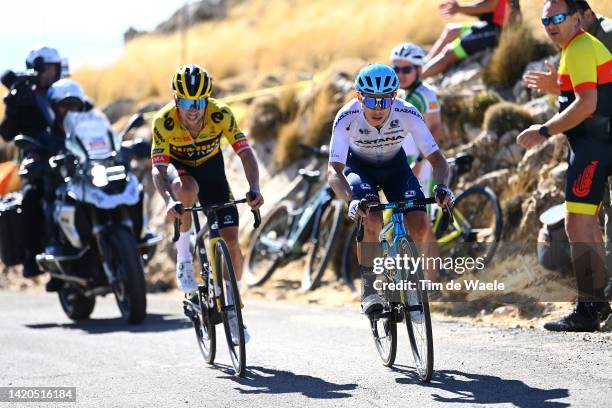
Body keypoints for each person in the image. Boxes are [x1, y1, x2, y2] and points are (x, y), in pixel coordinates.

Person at [327, 63, 454, 317]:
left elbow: (438, 160)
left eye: (384, 101)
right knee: (371, 216)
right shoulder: (346, 116)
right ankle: (369, 286)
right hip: (359, 168)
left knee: (420, 224)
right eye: (371, 101)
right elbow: (334, 171)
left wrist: (442, 186)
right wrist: (351, 201)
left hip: (395, 167)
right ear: (359, 97)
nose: (378, 108)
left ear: (394, 97)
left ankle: (411, 286)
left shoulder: (407, 112)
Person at [517, 0, 612, 332]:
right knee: (581, 225)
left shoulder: (581, 47)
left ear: (578, 17)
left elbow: (587, 104)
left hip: (595, 146)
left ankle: (590, 309)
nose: (551, 25)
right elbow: (585, 90)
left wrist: (544, 130)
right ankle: (594, 304)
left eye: (558, 17)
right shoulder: (579, 48)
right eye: (546, 21)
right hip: (590, 145)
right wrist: (556, 86)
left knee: (579, 226)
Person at [151, 64, 264, 343]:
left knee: (232, 242)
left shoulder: (221, 114)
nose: (194, 109)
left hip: (212, 171)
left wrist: (254, 188)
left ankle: (234, 307)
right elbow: (158, 169)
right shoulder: (164, 121)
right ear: (176, 99)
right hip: (181, 170)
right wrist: (168, 200)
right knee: (186, 189)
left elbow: (246, 154)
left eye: (199, 101)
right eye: (187, 101)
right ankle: (185, 256)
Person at [0, 46, 62, 278]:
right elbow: (6, 134)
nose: (51, 73)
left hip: (68, 155)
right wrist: (14, 106)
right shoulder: (23, 96)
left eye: (54, 68)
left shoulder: (63, 93)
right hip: (36, 162)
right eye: (47, 68)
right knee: (30, 199)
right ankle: (31, 256)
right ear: (35, 68)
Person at [390, 43, 443, 194]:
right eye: (396, 69)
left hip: (421, 162)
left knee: (420, 214)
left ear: (419, 70)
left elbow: (436, 130)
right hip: (403, 161)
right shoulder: (400, 94)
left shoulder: (426, 94)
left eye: (406, 70)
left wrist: (419, 163)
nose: (401, 75)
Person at [422, 0, 510, 79]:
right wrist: (456, 9)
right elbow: (482, 9)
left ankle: (417, 79)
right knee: (451, 31)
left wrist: (459, 8)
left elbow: (490, 6)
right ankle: (424, 65)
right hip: (490, 26)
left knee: (449, 52)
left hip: (501, 31)